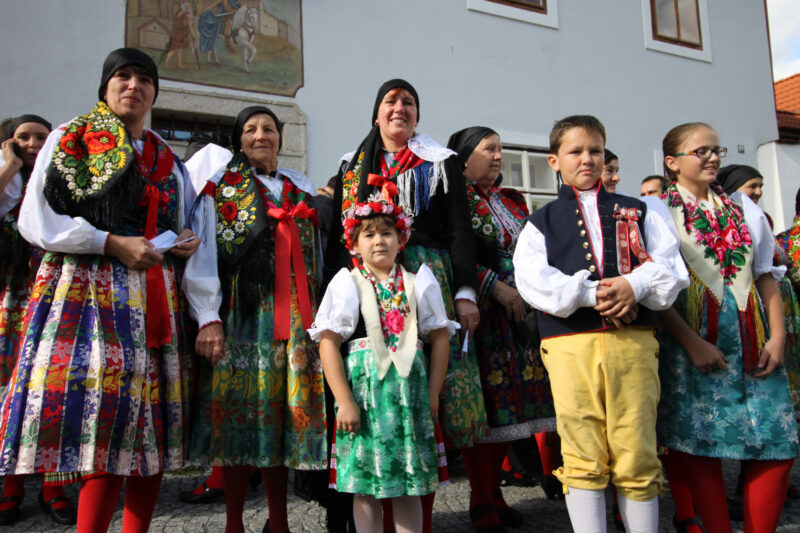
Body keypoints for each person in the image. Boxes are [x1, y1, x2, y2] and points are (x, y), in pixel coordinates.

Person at [0, 48, 202, 532]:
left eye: (144, 79)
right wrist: (107, 242)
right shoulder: (72, 137)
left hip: (157, 300)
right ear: (105, 86)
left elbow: (184, 218)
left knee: (149, 436)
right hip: (89, 294)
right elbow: (37, 220)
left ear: (155, 92)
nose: (134, 86)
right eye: (123, 76)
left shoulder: (168, 159)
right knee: (102, 429)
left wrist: (182, 241)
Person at [325, 79, 486, 532]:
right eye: (390, 101)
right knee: (370, 402)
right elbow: (342, 242)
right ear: (375, 113)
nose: (400, 108)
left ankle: (422, 517)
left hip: (426, 279)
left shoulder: (441, 163)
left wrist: (465, 293)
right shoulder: (351, 165)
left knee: (425, 406)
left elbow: (460, 230)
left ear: (418, 114)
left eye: (409, 102)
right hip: (367, 288)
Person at [513, 115, 688, 533]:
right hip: (571, 345)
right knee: (582, 446)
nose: (587, 159)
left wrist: (633, 283)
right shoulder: (542, 222)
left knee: (636, 445)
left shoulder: (640, 210)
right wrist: (594, 294)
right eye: (575, 151)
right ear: (554, 161)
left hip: (634, 342)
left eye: (595, 150)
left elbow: (670, 269)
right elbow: (534, 282)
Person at [186, 105, 326, 533]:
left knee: (283, 423)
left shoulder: (299, 187)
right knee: (237, 422)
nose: (260, 135)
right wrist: (207, 315)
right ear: (239, 140)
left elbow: (319, 252)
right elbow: (204, 251)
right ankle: (233, 523)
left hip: (299, 319)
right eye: (250, 129)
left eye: (268, 128)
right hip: (244, 315)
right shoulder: (221, 189)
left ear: (281, 138)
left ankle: (279, 523)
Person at [654, 122, 799, 533]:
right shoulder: (657, 211)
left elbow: (765, 274)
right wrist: (691, 343)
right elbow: (658, 288)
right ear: (673, 162)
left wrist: (777, 335)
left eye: (715, 149)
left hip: (752, 336)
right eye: (701, 151)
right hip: (694, 337)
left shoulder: (745, 208)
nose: (713, 157)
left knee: (778, 444)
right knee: (703, 445)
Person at [310, 197, 456, 533]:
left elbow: (441, 338)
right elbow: (329, 341)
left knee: (410, 487)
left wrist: (433, 392)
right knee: (364, 491)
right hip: (365, 400)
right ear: (354, 244)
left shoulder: (420, 281)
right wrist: (344, 401)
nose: (379, 241)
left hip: (410, 400)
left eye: (387, 233)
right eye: (370, 235)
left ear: (401, 239)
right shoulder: (347, 282)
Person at [447, 126, 556, 531]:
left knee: (512, 409)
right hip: (482, 317)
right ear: (463, 157)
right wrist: (495, 287)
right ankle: (480, 498)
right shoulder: (454, 201)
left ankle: (495, 492)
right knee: (487, 409)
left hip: (518, 319)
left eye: (500, 149)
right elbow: (452, 252)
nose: (497, 156)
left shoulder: (511, 201)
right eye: (489, 149)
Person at [0, 115, 81, 526]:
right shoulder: (7, 185)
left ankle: (54, 486)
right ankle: (11, 486)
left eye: (40, 137)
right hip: (11, 301)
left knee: (52, 390)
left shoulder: (61, 184)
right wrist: (9, 165)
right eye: (23, 137)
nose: (32, 144)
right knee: (9, 393)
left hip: (53, 297)